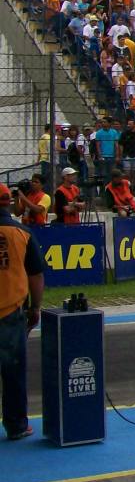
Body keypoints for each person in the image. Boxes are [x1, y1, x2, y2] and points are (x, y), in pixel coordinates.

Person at [0, 183, 45, 440]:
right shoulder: (22, 233)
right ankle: (16, 425)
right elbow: (36, 275)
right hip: (10, 310)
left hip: (11, 310)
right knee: (13, 372)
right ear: (8, 203)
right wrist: (35, 307)